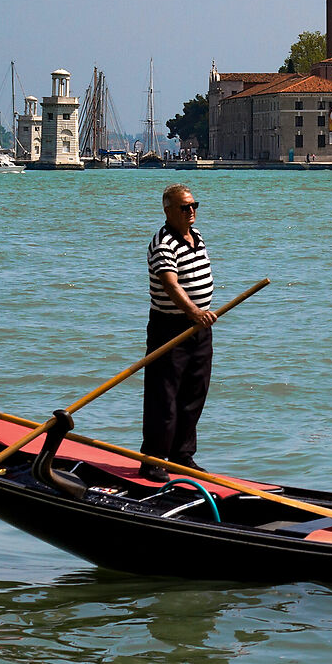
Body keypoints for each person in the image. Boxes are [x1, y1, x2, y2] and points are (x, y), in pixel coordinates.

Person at [143, 184, 218, 477]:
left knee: (194, 393)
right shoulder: (163, 243)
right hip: (170, 327)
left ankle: (182, 455)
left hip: (199, 328)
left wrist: (200, 315)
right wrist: (194, 311)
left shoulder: (195, 236)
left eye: (194, 205)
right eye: (185, 207)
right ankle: (154, 458)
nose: (191, 211)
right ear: (168, 211)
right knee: (165, 396)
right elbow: (170, 284)